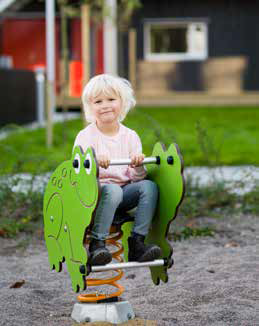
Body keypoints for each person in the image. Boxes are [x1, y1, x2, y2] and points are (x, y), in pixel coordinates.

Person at [73, 74, 161, 265]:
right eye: (98, 101)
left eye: (111, 99)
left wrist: (138, 164)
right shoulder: (85, 137)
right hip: (94, 196)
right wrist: (94, 162)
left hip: (123, 193)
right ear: (90, 106)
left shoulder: (130, 136)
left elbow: (137, 178)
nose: (105, 105)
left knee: (148, 187)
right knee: (112, 190)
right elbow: (77, 173)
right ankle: (97, 244)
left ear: (123, 103)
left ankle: (137, 243)